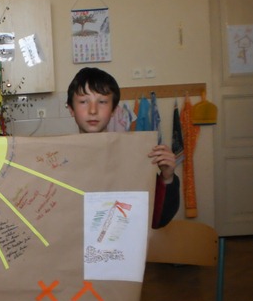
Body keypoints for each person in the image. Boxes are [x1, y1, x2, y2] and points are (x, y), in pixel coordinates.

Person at [66, 67, 179, 229]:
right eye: (83, 102)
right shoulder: (59, 160)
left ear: (113, 110)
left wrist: (167, 178)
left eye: (102, 102)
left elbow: (158, 221)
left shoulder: (132, 155)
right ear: (71, 109)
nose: (93, 110)